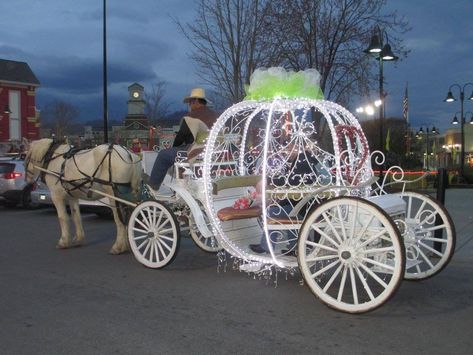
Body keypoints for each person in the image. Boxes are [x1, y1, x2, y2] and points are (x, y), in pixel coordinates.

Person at [148, 88, 218, 191]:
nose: (189, 105)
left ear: (195, 101)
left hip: (197, 152)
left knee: (163, 154)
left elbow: (181, 138)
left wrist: (174, 147)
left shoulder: (191, 117)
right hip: (214, 151)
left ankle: (153, 186)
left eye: (190, 102)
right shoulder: (215, 115)